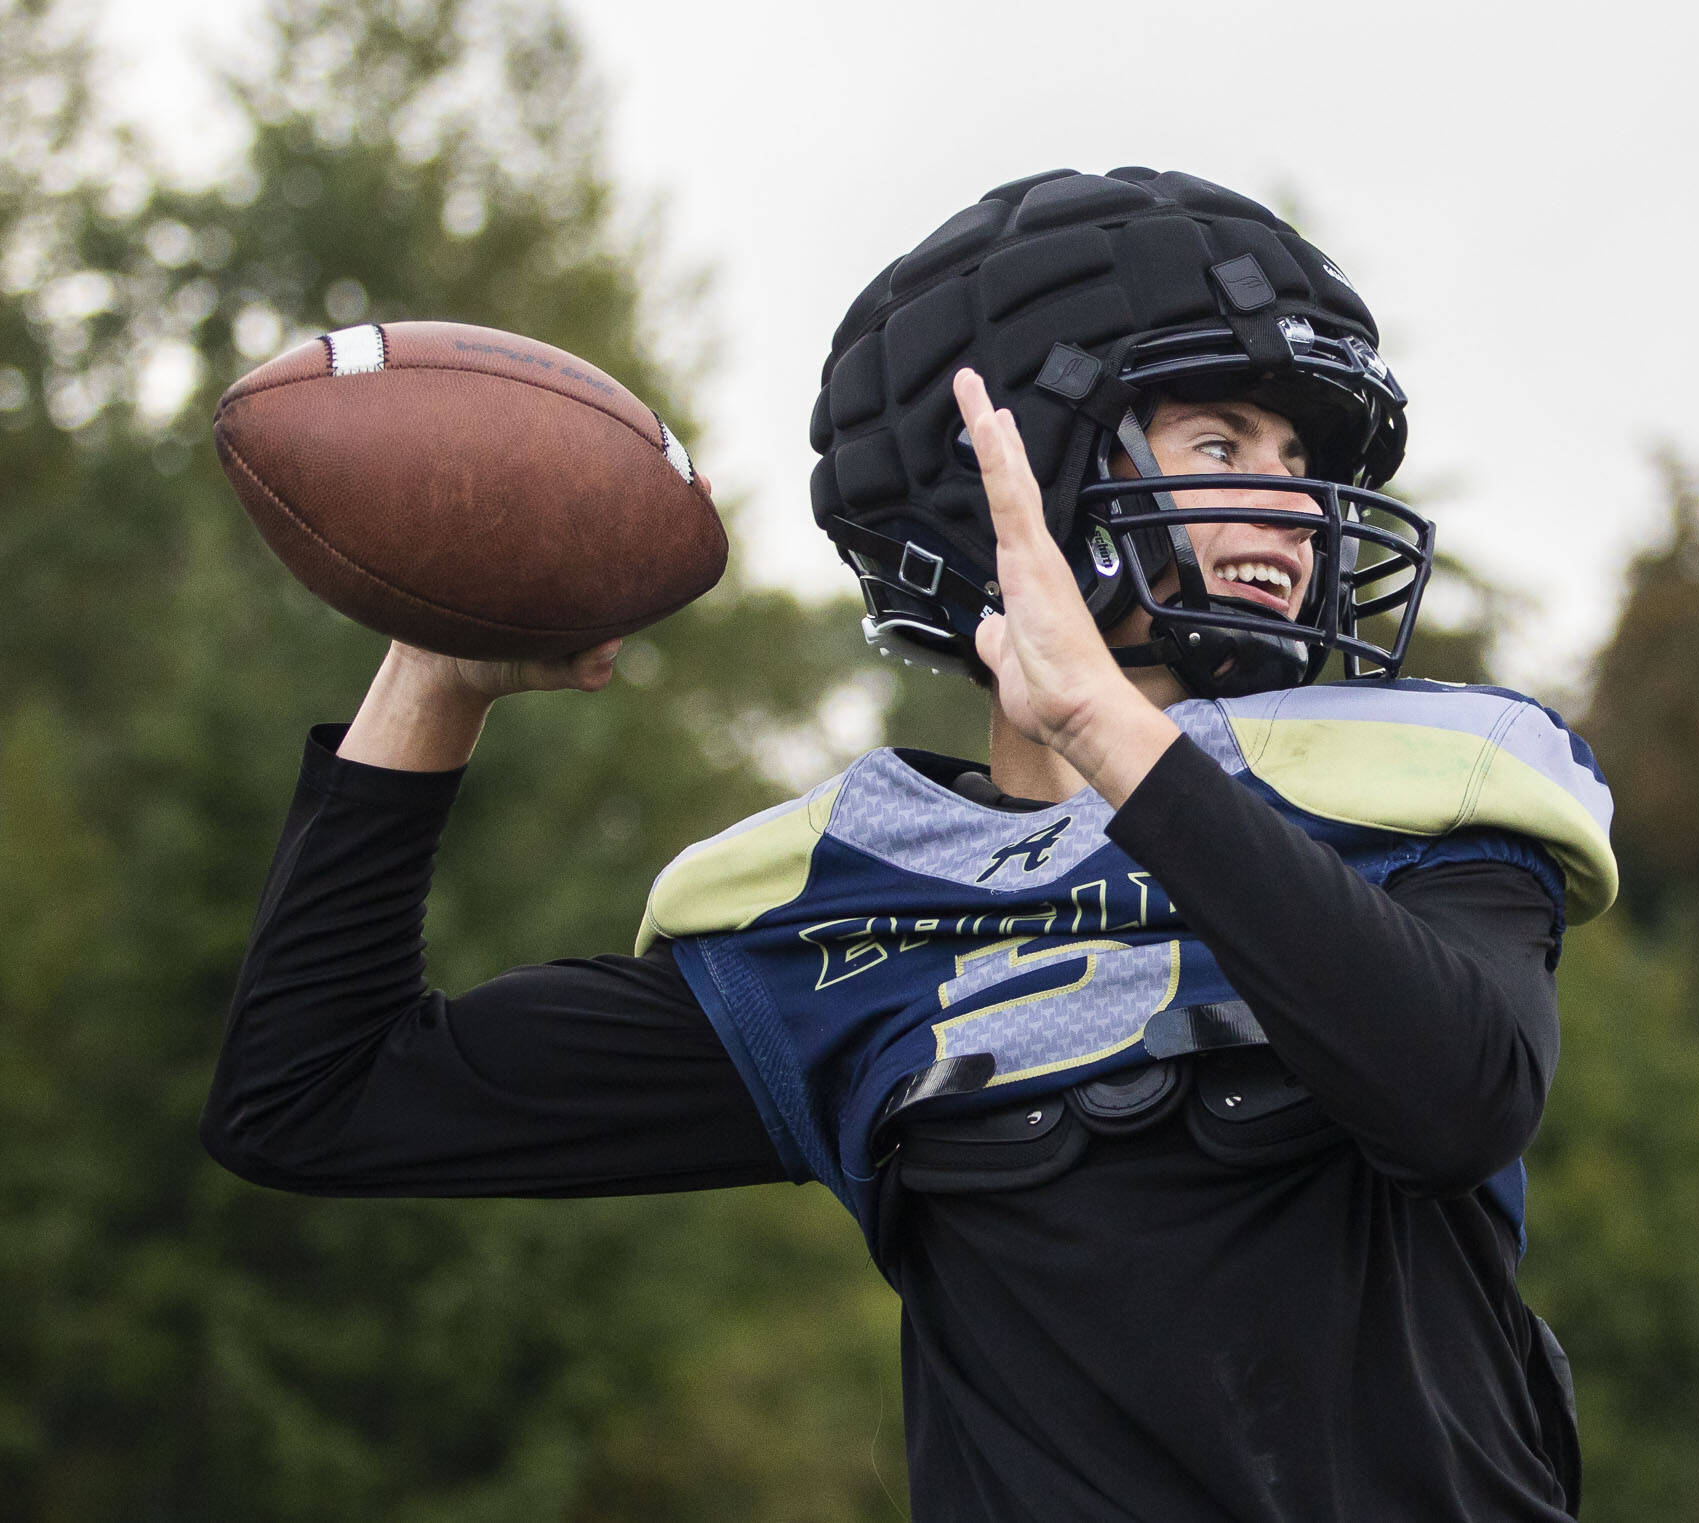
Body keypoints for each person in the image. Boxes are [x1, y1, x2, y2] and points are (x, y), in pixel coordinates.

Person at [205, 167, 1617, 1520]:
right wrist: (436, 671)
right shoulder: (852, 914)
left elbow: (1459, 1098)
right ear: (1019, 486)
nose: (1296, 506)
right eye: (1221, 445)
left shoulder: (1420, 797)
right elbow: (317, 1098)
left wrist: (1115, 743)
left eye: (1300, 460)